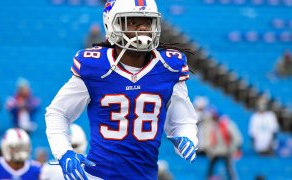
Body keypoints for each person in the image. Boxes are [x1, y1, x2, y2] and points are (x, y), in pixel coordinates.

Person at [45, 0, 198, 179]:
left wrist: (187, 137)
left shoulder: (168, 66)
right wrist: (64, 152)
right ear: (113, 25)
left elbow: (182, 122)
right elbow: (57, 113)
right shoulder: (96, 66)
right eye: (133, 22)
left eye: (147, 22)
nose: (143, 29)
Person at [206, 111, 242, 180]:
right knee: (211, 167)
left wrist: (234, 148)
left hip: (227, 151)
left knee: (229, 169)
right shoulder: (213, 125)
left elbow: (237, 138)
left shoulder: (228, 124)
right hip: (216, 151)